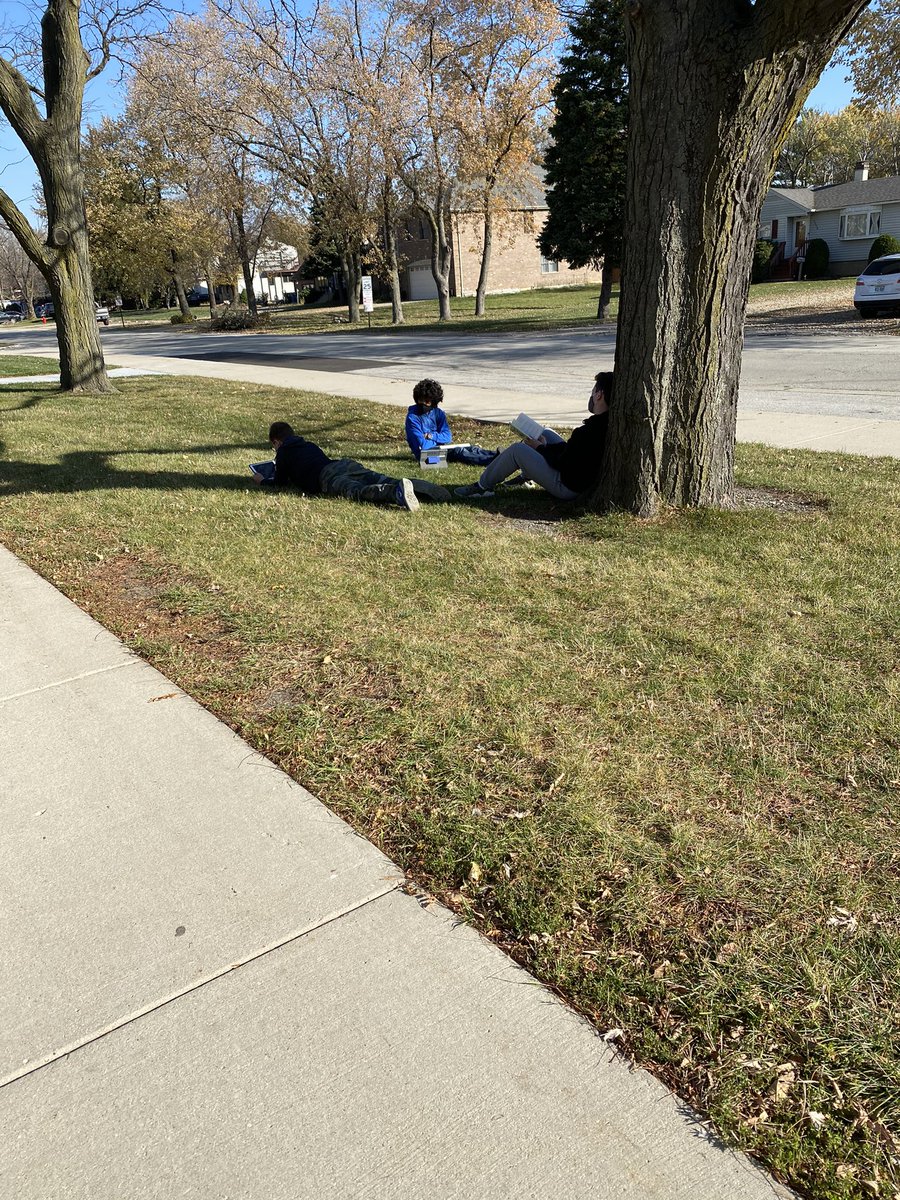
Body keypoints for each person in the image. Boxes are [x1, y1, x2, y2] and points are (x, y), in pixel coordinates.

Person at [454, 371, 614, 501]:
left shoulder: (588, 432)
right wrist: (545, 445)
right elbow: (572, 453)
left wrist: (540, 448)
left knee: (518, 450)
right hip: (577, 479)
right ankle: (526, 477)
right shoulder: (606, 424)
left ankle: (481, 487)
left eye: (593, 393)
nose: (591, 396)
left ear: (599, 395)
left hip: (567, 488)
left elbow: (562, 464)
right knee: (546, 433)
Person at [253, 421, 450, 513]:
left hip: (326, 478)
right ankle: (417, 485)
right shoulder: (308, 444)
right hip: (342, 464)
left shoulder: (284, 453)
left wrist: (262, 481)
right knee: (376, 477)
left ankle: (395, 493)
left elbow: (280, 482)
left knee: (358, 490)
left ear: (276, 442)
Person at [405, 379, 498, 467]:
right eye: (420, 400)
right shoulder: (412, 417)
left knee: (472, 449)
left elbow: (447, 437)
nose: (423, 403)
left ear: (434, 402)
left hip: (441, 449)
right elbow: (422, 444)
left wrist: (431, 436)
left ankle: (499, 455)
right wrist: (439, 441)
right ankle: (491, 461)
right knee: (459, 451)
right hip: (427, 457)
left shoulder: (438, 413)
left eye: (427, 401)